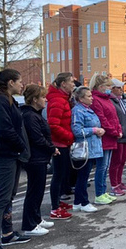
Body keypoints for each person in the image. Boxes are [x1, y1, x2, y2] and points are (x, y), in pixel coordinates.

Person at [0, 69, 30, 249]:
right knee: (0, 198)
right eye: (20, 81)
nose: (22, 85)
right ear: (10, 82)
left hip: (12, 154)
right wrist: (21, 147)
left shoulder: (7, 99)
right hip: (4, 155)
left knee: (9, 195)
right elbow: (6, 130)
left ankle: (8, 233)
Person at [21, 85, 57, 237]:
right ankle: (29, 224)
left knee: (39, 190)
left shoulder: (35, 114)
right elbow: (37, 138)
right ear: (34, 99)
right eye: (43, 97)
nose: (46, 99)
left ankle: (36, 218)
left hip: (40, 158)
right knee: (34, 191)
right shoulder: (30, 116)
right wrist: (52, 148)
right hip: (34, 158)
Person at [46, 72, 75, 220]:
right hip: (60, 143)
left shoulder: (63, 99)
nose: (73, 84)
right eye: (71, 82)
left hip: (64, 142)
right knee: (58, 175)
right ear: (63, 84)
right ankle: (54, 208)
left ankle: (58, 201)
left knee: (63, 173)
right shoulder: (57, 100)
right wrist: (70, 136)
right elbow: (53, 125)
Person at [71, 87, 104, 212]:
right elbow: (77, 130)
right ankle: (83, 202)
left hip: (93, 147)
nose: (92, 98)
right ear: (81, 99)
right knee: (83, 177)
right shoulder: (78, 111)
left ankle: (78, 201)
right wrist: (94, 130)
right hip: (85, 149)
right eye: (89, 96)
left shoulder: (89, 110)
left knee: (84, 176)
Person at [90, 75, 122, 204]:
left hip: (111, 136)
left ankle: (103, 191)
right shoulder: (97, 100)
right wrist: (114, 131)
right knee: (102, 167)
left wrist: (118, 129)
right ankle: (99, 193)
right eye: (108, 86)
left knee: (106, 166)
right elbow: (102, 119)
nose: (110, 88)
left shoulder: (107, 99)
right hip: (104, 137)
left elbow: (115, 117)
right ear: (101, 86)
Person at [109, 78, 126, 194]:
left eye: (121, 88)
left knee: (123, 160)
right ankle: (114, 184)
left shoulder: (121, 101)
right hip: (119, 135)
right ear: (112, 89)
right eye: (118, 88)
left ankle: (119, 181)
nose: (121, 90)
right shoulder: (111, 102)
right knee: (116, 161)